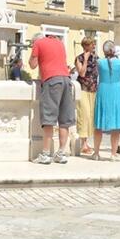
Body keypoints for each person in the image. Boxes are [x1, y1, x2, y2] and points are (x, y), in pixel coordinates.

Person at [29, 32, 74, 164]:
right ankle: (61, 153)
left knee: (49, 118)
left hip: (52, 80)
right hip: (66, 80)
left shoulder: (38, 43)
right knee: (64, 119)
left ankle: (46, 154)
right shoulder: (59, 43)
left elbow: (32, 64)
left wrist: (33, 53)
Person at [92, 41, 120, 161]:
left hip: (103, 90)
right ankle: (113, 154)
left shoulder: (99, 62)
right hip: (117, 91)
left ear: (104, 51)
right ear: (114, 51)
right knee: (116, 124)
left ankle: (96, 152)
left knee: (99, 124)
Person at [73, 38, 99, 156]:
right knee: (84, 115)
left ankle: (86, 142)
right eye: (92, 44)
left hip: (93, 90)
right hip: (83, 89)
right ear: (86, 46)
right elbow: (82, 73)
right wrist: (86, 59)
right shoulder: (79, 58)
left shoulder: (96, 58)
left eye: (94, 44)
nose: (94, 46)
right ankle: (83, 144)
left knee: (91, 116)